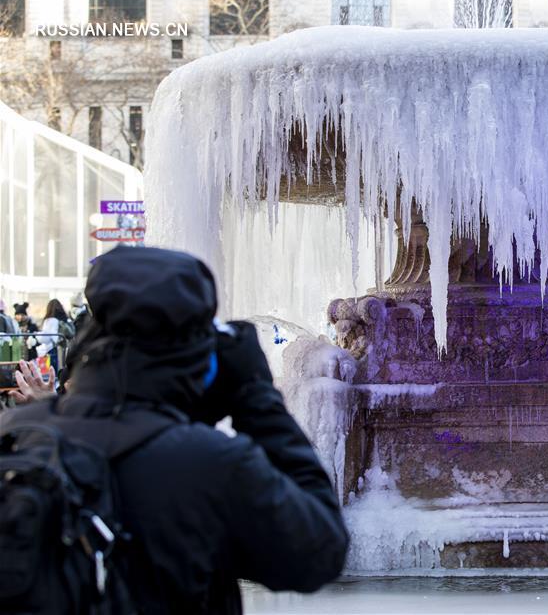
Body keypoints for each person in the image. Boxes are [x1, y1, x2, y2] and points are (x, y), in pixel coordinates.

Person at [2, 246, 348, 613]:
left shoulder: (15, 431)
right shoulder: (207, 463)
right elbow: (318, 551)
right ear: (196, 355)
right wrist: (255, 396)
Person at [36, 298, 69, 371]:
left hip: (50, 350)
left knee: (48, 375)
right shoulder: (65, 319)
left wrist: (37, 335)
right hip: (64, 349)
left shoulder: (50, 321)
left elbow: (45, 338)